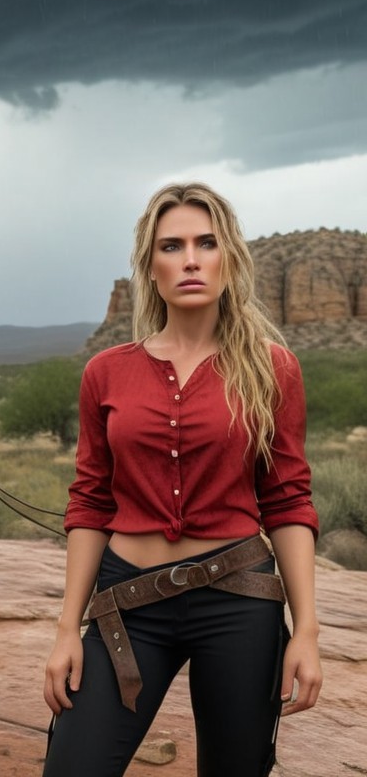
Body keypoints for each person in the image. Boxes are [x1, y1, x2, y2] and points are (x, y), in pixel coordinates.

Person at [41, 183, 322, 777]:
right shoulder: (105, 372)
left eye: (206, 243)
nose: (190, 259)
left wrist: (307, 632)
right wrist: (68, 628)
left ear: (230, 257)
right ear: (150, 265)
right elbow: (90, 501)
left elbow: (288, 500)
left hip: (239, 600)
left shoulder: (273, 369)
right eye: (172, 246)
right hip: (127, 605)